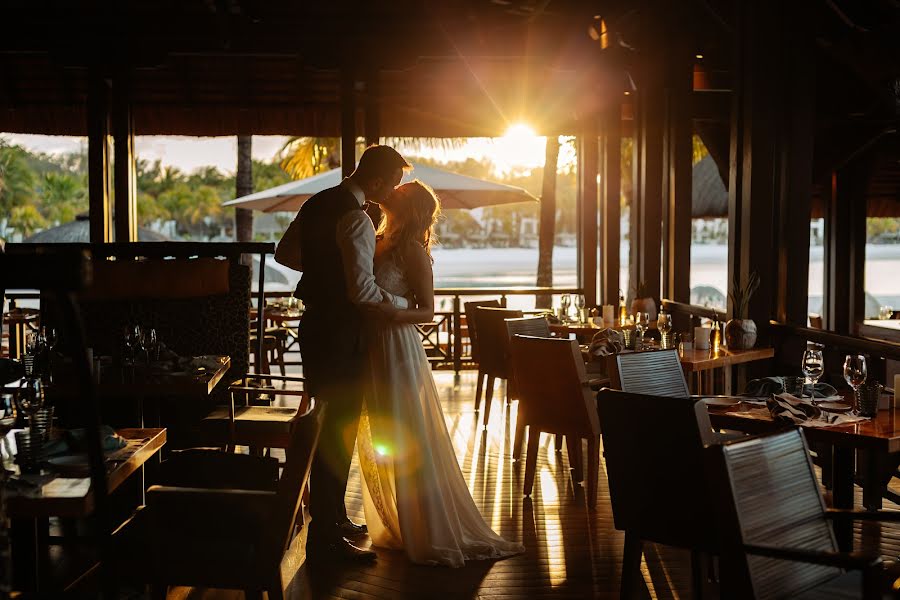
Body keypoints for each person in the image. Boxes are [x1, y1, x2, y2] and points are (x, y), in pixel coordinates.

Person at [357, 180, 524, 567]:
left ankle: (428, 530)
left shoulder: (412, 250)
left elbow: (428, 312)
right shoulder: (376, 238)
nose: (390, 192)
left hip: (398, 346)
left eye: (398, 192)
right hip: (371, 348)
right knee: (380, 434)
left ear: (409, 206)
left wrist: (391, 312)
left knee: (407, 435)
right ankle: (398, 522)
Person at [275, 144, 412, 562]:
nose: (390, 193)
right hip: (340, 333)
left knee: (328, 424)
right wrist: (409, 306)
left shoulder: (319, 202)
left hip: (315, 326)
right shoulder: (355, 217)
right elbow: (364, 291)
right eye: (390, 184)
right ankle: (325, 538)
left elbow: (284, 253)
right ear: (375, 180)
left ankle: (331, 517)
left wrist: (323, 269)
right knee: (338, 430)